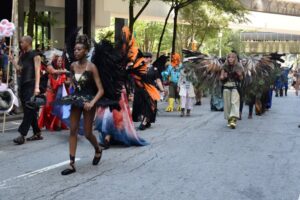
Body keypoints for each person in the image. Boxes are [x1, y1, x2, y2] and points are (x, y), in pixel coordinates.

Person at [55, 35, 103, 175]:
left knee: (87, 133)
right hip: (76, 100)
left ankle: (98, 149)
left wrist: (92, 102)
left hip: (89, 100)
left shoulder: (92, 67)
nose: (76, 51)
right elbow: (73, 83)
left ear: (86, 51)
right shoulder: (72, 66)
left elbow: (101, 90)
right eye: (75, 49)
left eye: (79, 49)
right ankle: (71, 164)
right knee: (73, 130)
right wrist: (67, 84)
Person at [9, 36, 42, 144]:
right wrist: (12, 60)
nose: (20, 43)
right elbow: (19, 70)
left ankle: (22, 135)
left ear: (28, 42)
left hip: (31, 84)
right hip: (23, 85)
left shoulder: (35, 55)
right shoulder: (22, 55)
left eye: (22, 42)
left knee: (28, 110)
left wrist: (37, 87)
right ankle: (37, 132)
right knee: (30, 110)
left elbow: (37, 72)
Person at [131, 52, 163, 130]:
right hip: (140, 90)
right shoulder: (138, 67)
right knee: (141, 106)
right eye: (144, 57)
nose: (145, 58)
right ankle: (146, 120)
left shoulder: (154, 69)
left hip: (151, 90)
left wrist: (162, 89)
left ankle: (144, 122)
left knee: (149, 105)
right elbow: (134, 78)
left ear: (150, 59)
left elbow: (158, 80)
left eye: (147, 57)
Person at [38, 56, 68, 131]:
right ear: (55, 61)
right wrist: (65, 71)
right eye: (58, 61)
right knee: (48, 108)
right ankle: (45, 123)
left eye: (61, 61)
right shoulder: (50, 67)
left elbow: (66, 81)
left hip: (59, 92)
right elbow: (53, 72)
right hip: (50, 92)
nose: (60, 62)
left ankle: (57, 125)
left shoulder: (63, 69)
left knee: (59, 108)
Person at [220, 52, 243, 129]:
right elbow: (221, 77)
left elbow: (241, 78)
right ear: (227, 58)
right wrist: (223, 76)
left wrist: (239, 75)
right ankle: (229, 120)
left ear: (235, 58)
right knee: (227, 104)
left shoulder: (239, 66)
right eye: (229, 57)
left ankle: (233, 119)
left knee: (234, 102)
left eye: (232, 57)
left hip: (235, 86)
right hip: (226, 86)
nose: (231, 59)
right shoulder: (224, 66)